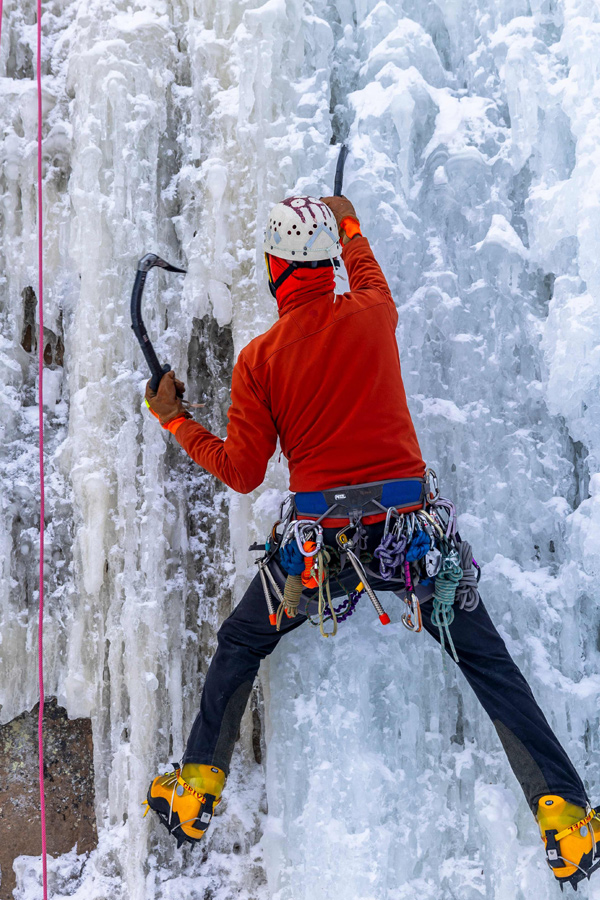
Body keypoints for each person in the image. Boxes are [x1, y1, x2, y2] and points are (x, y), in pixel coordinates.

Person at [143, 195, 599, 889]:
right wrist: (347, 221)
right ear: (327, 260)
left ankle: (196, 790)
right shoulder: (373, 309)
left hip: (319, 553)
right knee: (490, 664)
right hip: (412, 540)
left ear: (273, 267)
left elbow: (241, 472)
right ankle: (566, 818)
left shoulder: (260, 360)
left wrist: (176, 421)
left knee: (241, 644)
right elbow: (363, 265)